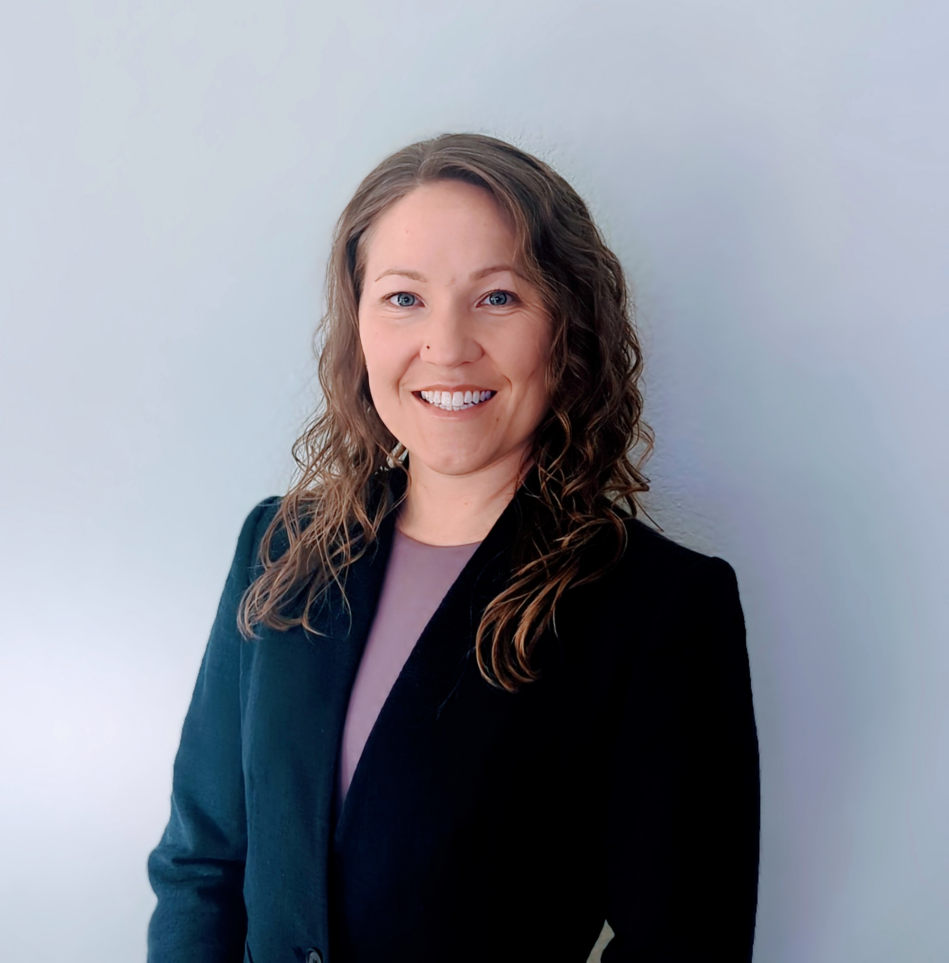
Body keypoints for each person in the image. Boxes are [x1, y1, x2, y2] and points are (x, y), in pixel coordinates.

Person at [146, 132, 760, 963]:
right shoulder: (279, 547)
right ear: (358, 325)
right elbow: (203, 863)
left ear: (566, 328)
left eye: (498, 297)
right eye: (404, 298)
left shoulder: (657, 608)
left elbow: (683, 944)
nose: (446, 344)